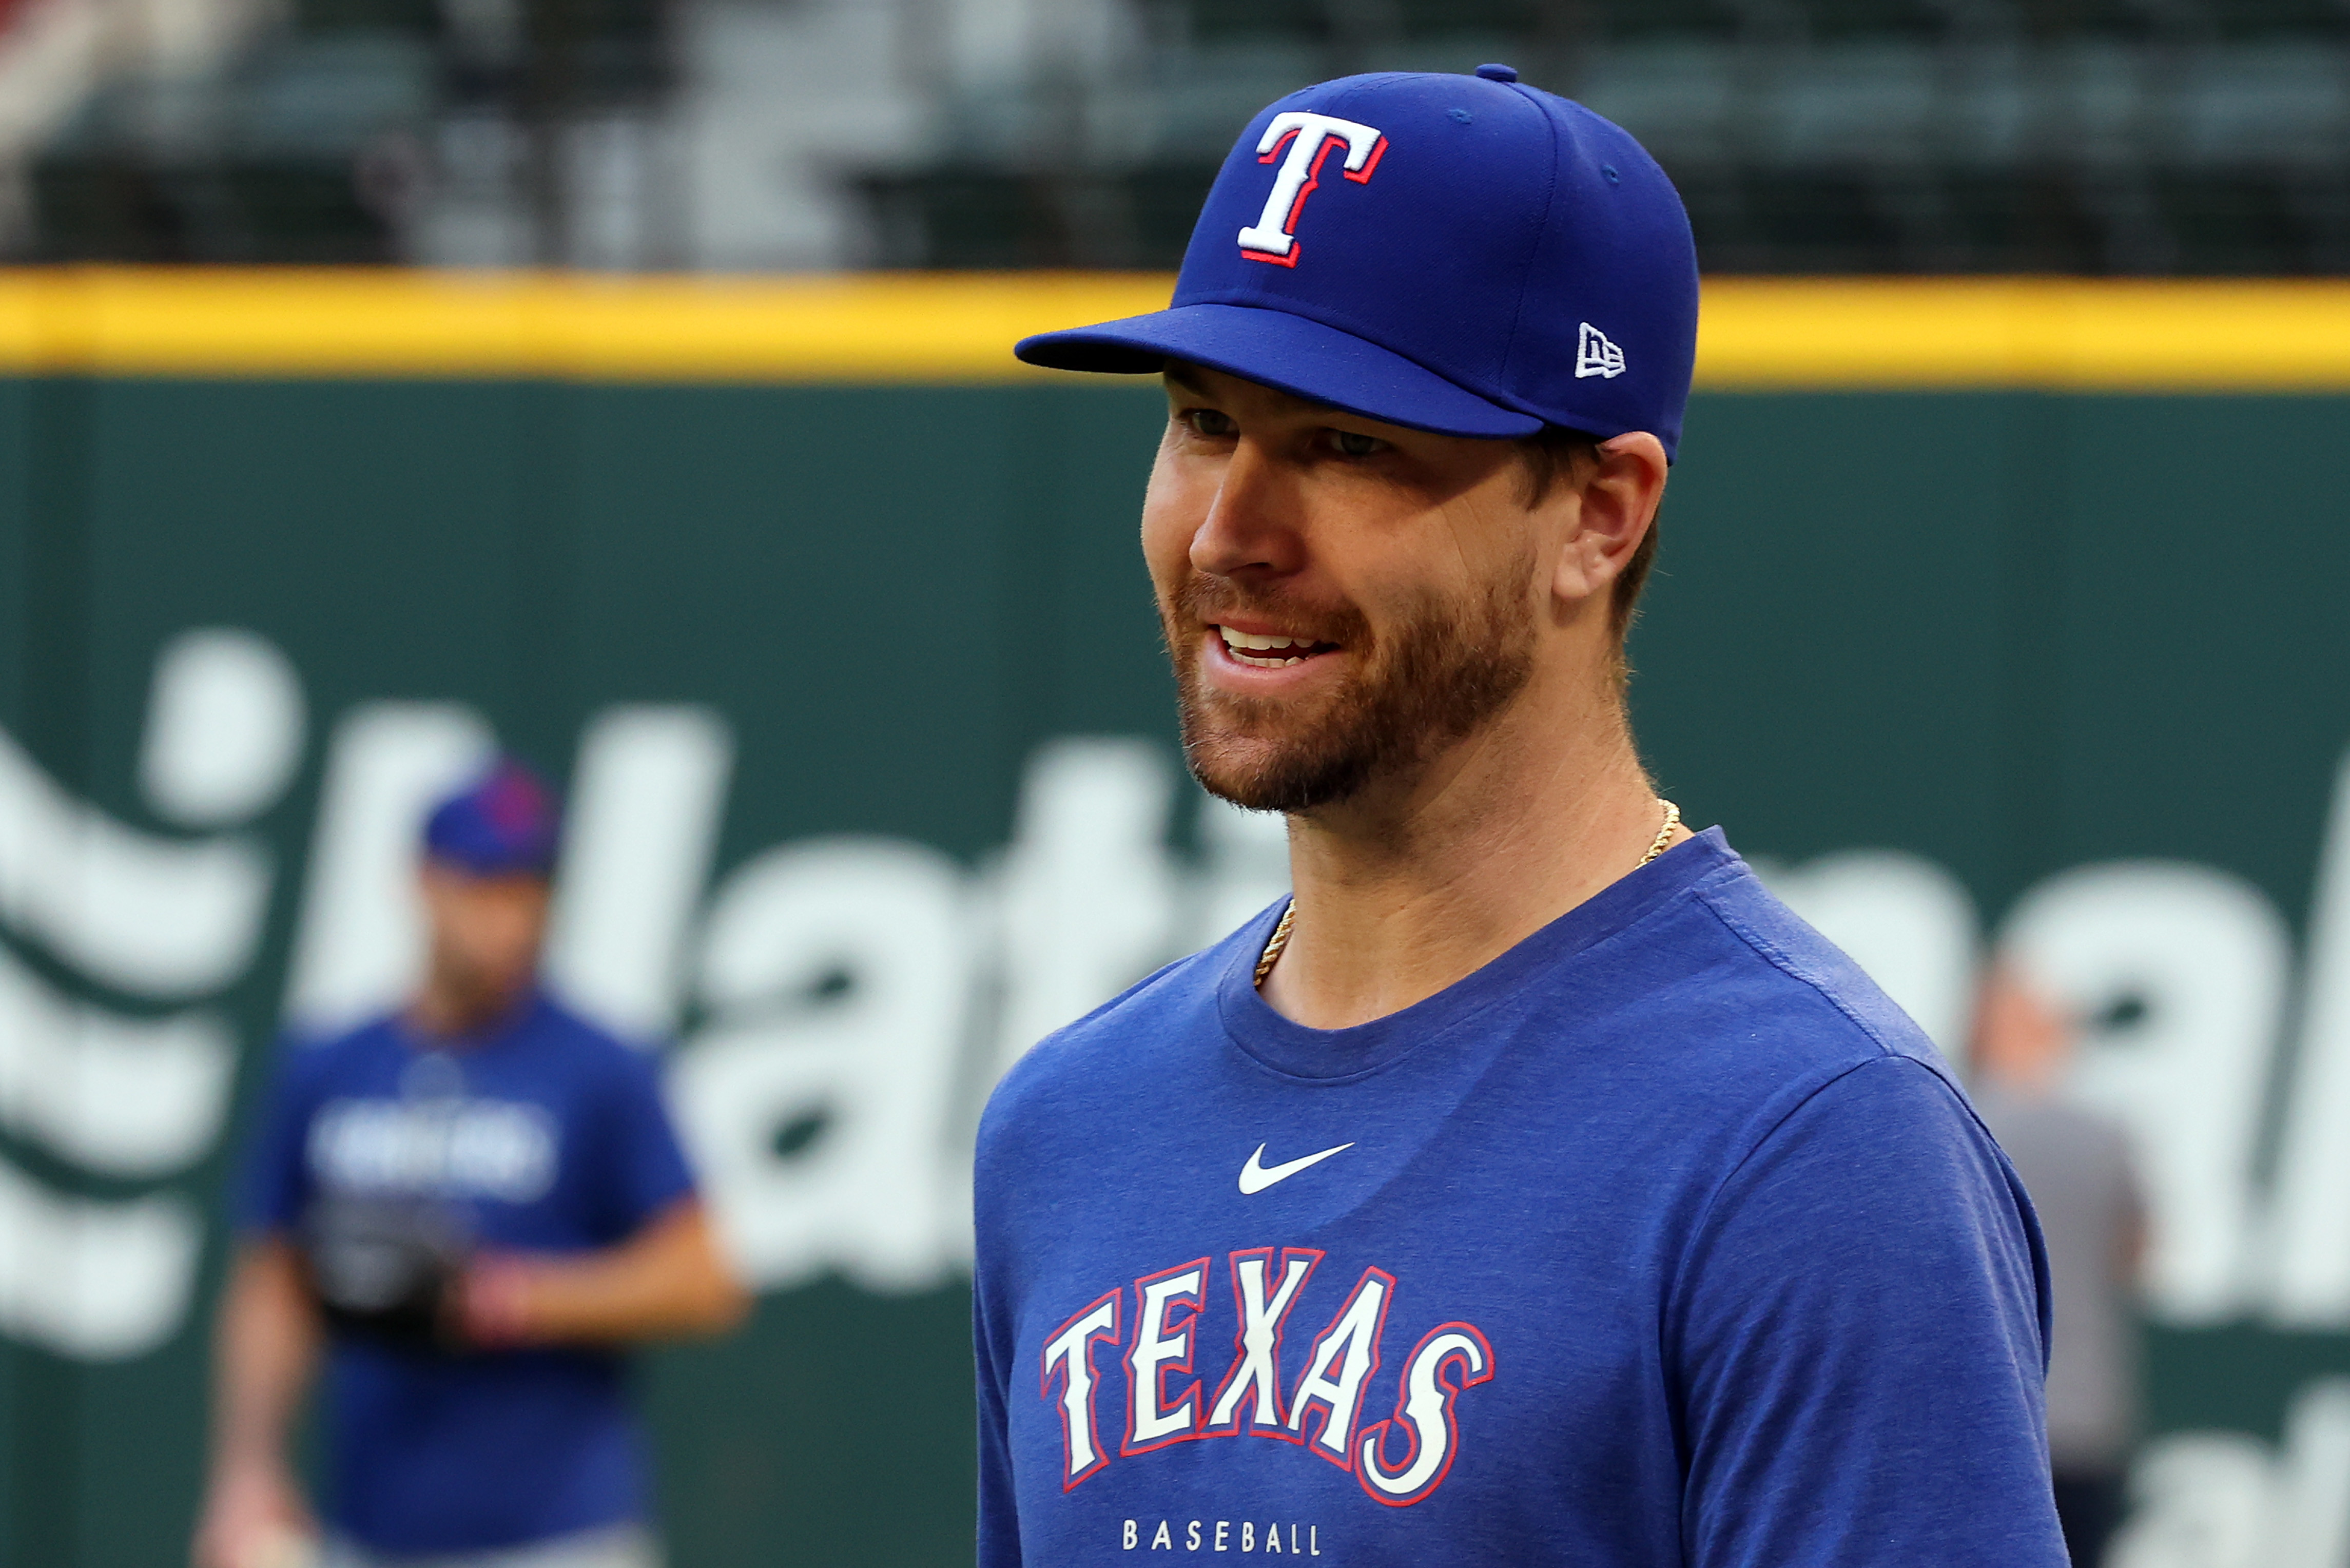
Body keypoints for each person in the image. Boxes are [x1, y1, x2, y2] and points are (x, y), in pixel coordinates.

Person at [973, 65, 2068, 1566]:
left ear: (1598, 511)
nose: (1229, 530)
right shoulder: (1064, 1125)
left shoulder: (1811, 1143)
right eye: (1201, 421)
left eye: (1347, 443)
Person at [193, 760, 748, 1568]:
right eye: (485, 883)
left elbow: (705, 1277)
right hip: (373, 1530)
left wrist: (515, 1295)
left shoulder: (598, 1066)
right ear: (423, 881)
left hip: (559, 1534)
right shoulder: (333, 1064)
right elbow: (273, 1279)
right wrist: (247, 1467)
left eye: (529, 887)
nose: (511, 918)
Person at [1973, 965, 2149, 1567]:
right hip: (2084, 1420)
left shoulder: (1950, 1122)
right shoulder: (2105, 1136)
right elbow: (2136, 1257)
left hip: (1984, 1420)